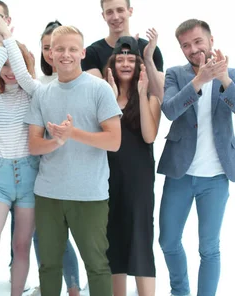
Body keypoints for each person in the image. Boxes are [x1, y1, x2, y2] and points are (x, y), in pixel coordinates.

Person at [25, 25, 122, 296]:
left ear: (81, 52)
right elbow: (33, 145)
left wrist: (72, 133)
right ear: (50, 54)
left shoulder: (98, 89)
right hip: (48, 194)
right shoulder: (42, 93)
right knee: (48, 265)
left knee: (97, 264)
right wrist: (56, 141)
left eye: (71, 49)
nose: (65, 55)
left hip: (89, 194)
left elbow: (114, 141)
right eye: (59, 49)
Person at [158, 19, 235, 296]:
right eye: (185, 45)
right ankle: (180, 291)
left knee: (209, 247)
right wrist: (198, 81)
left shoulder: (232, 74)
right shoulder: (175, 74)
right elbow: (169, 109)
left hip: (215, 178)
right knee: (167, 240)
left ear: (211, 40)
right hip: (180, 173)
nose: (193, 49)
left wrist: (223, 78)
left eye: (197, 41)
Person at [0, 12, 36, 296]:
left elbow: (24, 77)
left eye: (18, 64)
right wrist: (2, 42)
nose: (11, 71)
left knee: (21, 247)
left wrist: (9, 39)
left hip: (29, 178)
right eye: (6, 65)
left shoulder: (35, 93)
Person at [104, 36, 161, 296]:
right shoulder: (104, 97)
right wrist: (112, 97)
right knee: (112, 240)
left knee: (140, 238)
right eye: (120, 59)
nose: (125, 63)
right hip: (107, 178)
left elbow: (150, 136)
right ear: (112, 64)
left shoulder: (150, 97)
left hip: (138, 180)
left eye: (130, 58)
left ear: (138, 63)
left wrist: (140, 91)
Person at [31, 20, 82, 296]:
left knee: (68, 235)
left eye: (59, 47)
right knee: (44, 234)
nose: (54, 53)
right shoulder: (39, 85)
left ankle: (73, 286)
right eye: (48, 48)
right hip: (44, 170)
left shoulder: (80, 82)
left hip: (75, 171)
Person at [82, 0, 164, 98]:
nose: (115, 17)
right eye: (109, 12)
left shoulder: (150, 49)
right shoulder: (92, 53)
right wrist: (120, 51)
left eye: (120, 10)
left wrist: (148, 58)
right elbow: (97, 95)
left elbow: (160, 96)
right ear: (103, 15)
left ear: (130, 11)